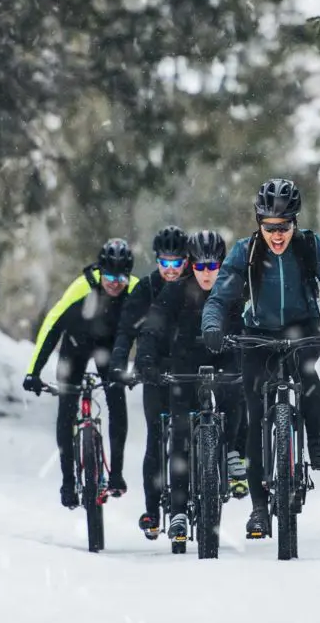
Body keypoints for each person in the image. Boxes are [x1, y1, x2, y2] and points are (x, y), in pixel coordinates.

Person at [201, 177, 320, 539]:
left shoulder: (310, 247)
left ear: (296, 222)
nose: (277, 236)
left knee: (305, 371)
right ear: (259, 224)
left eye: (285, 227)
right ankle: (259, 509)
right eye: (270, 228)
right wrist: (212, 325)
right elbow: (219, 297)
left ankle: (316, 439)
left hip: (302, 327)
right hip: (258, 332)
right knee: (255, 410)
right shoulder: (245, 252)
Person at [134, 230, 246, 542]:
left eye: (213, 267)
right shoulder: (175, 291)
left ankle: (233, 451)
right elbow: (153, 327)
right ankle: (180, 512)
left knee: (236, 394)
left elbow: (250, 326)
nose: (206, 273)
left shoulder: (233, 290)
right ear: (190, 266)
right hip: (184, 366)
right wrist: (145, 359)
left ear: (222, 265)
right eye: (200, 266)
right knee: (180, 433)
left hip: (223, 360)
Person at [23, 238, 139, 508]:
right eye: (109, 275)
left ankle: (116, 475)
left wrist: (145, 367)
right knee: (67, 407)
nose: (114, 282)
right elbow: (52, 326)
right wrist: (33, 372)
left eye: (121, 277)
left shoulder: (135, 290)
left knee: (116, 397)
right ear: (100, 270)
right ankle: (67, 481)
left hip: (109, 349)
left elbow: (152, 329)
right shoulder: (81, 287)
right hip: (74, 347)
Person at [107, 226, 197, 531]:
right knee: (156, 437)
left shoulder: (196, 286)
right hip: (154, 368)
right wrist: (119, 364)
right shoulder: (144, 289)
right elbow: (125, 332)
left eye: (177, 263)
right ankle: (152, 512)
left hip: (188, 369)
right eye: (165, 263)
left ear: (187, 261)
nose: (171, 270)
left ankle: (194, 495)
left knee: (186, 437)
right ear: (156, 260)